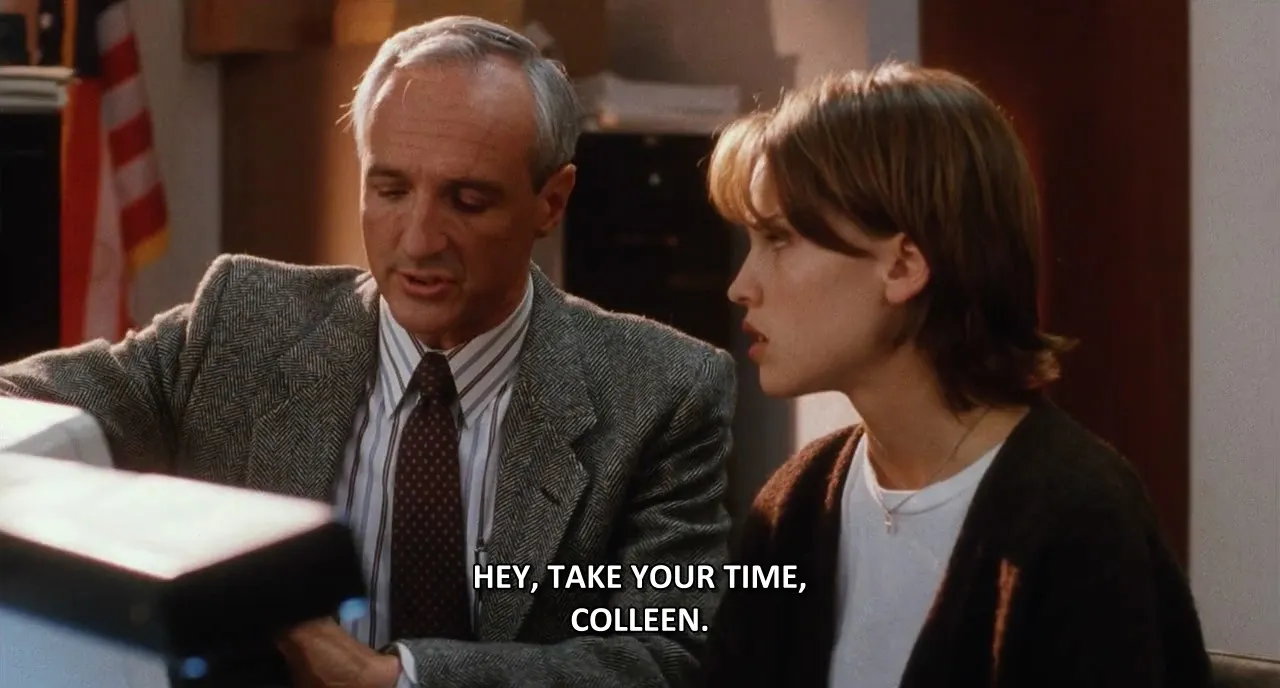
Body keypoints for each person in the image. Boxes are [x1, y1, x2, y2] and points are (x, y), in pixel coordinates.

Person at [0, 16, 736, 688]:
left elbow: (664, 652)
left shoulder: (662, 391)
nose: (418, 240)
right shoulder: (240, 323)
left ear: (552, 200)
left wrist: (395, 679)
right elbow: (18, 410)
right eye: (390, 190)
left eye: (467, 200)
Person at [697, 62, 1210, 687]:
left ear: (903, 266)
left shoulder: (1079, 518)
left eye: (779, 239)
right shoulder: (795, 504)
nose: (740, 286)